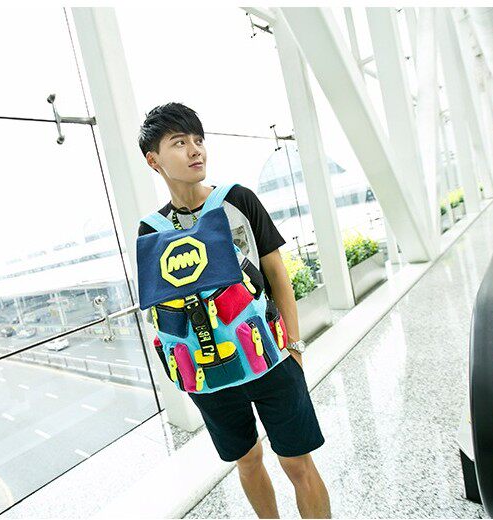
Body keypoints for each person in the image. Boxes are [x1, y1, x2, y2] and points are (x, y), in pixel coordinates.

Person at [137, 102, 330, 519]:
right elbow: (161, 309)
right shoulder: (151, 230)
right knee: (247, 460)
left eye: (198, 140)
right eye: (179, 143)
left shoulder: (237, 199)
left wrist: (295, 346)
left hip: (271, 358)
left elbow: (277, 273)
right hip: (209, 375)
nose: (195, 150)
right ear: (154, 160)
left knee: (297, 462)